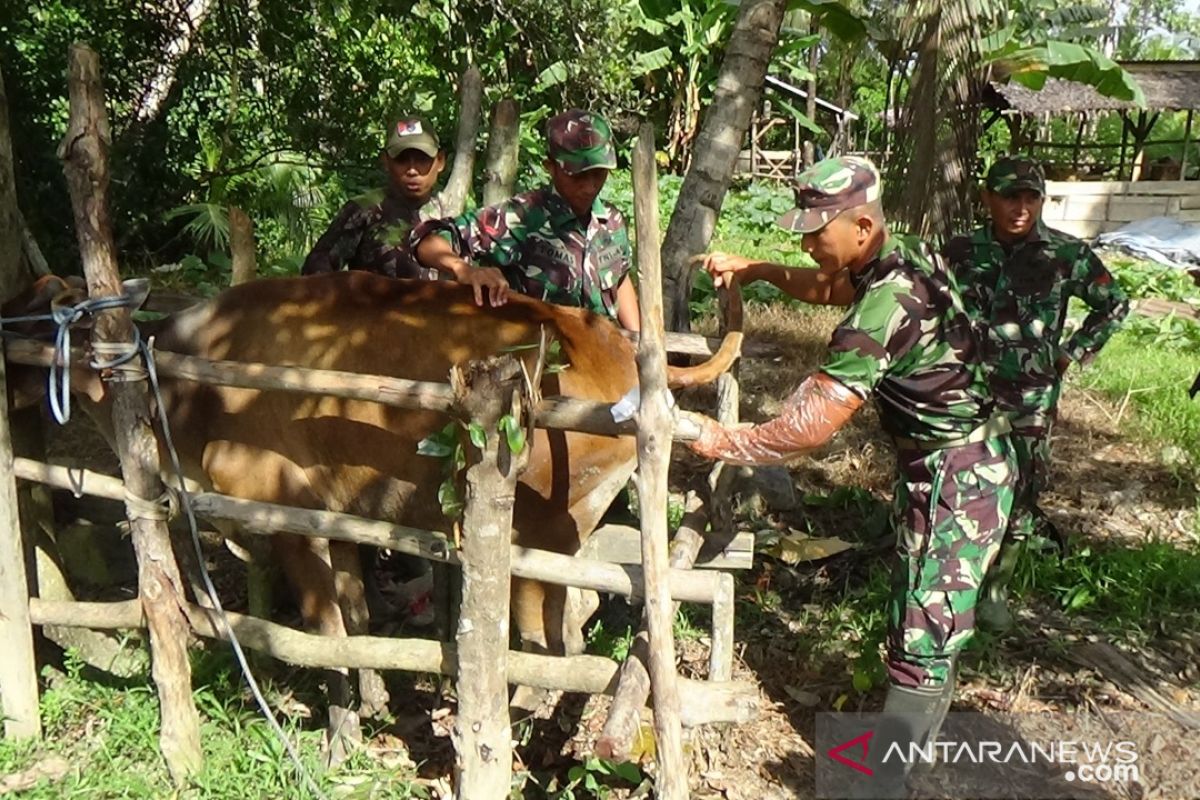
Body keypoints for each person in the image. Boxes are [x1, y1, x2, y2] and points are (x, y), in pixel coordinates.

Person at [684, 156, 1016, 758]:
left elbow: (808, 427)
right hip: (967, 463)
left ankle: (886, 780)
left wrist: (719, 440)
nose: (808, 243)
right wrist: (757, 269)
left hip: (959, 480)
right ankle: (914, 750)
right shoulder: (902, 253)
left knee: (922, 635)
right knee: (930, 620)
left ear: (861, 227)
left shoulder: (886, 304)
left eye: (817, 231)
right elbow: (827, 285)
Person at [943, 157, 1129, 632]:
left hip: (1030, 399)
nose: (1021, 208)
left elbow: (1115, 303)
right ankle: (952, 578)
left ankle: (997, 589)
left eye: (1031, 197)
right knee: (957, 482)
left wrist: (1069, 354)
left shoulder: (1065, 254)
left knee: (1022, 488)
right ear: (987, 199)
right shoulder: (959, 251)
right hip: (967, 392)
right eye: (1010, 196)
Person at [412, 109, 640, 331]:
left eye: (598, 173)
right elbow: (425, 240)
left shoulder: (611, 221)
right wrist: (463, 269)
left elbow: (619, 280)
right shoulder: (523, 216)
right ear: (550, 167)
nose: (590, 186)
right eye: (578, 174)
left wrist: (640, 341)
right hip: (541, 355)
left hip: (605, 354)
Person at [302, 115, 448, 279]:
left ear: (440, 161)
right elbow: (316, 272)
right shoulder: (364, 210)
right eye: (402, 159)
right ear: (386, 161)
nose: (412, 170)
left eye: (422, 159)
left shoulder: (453, 215)